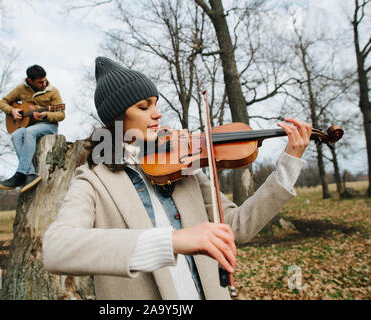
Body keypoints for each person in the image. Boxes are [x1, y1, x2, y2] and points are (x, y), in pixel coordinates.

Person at [42, 57, 312, 300]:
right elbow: (57, 248)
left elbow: (237, 225)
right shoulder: (93, 180)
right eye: (144, 106)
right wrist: (173, 241)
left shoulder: (182, 164)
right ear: (118, 118)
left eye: (156, 104)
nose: (157, 113)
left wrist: (288, 165)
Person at [0, 65, 65, 193]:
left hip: (49, 126)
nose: (44, 84)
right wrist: (12, 110)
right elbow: (2, 102)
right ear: (30, 81)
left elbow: (61, 114)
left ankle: (20, 174)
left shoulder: (53, 92)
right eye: (40, 82)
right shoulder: (21, 89)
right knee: (16, 135)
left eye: (45, 80)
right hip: (29, 125)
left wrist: (46, 114)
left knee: (29, 132)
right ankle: (30, 174)